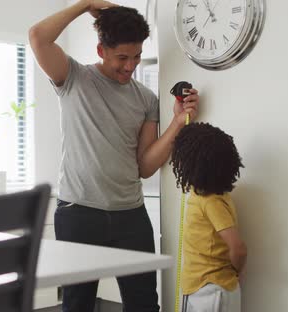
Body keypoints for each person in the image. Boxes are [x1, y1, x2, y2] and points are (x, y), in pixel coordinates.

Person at [29, 1, 199, 311]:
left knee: (144, 304)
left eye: (136, 57)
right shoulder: (73, 78)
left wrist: (176, 122)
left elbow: (145, 166)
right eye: (122, 57)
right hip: (78, 213)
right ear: (101, 50)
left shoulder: (145, 99)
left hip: (130, 215)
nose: (130, 65)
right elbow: (39, 37)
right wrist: (85, 5)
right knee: (78, 304)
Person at [169, 122, 247, 312]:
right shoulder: (204, 195)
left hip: (209, 291)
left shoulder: (211, 201)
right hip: (207, 289)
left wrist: (235, 272)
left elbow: (238, 249)